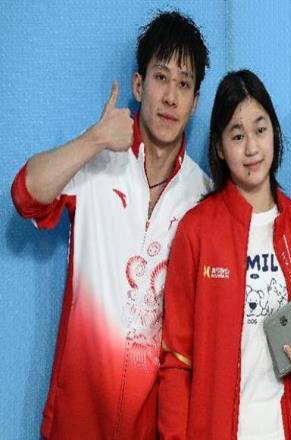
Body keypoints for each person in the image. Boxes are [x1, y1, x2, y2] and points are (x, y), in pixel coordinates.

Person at [10, 11, 210, 440]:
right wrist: (96, 139)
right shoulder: (96, 160)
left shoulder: (202, 195)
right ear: (139, 85)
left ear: (195, 102)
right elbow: (25, 194)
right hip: (75, 417)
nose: (170, 97)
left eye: (184, 84)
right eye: (161, 77)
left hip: (150, 425)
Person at [158, 69, 291, 439]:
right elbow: (177, 359)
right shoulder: (197, 230)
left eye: (260, 130)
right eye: (237, 136)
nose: (252, 148)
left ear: (275, 133)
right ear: (220, 148)